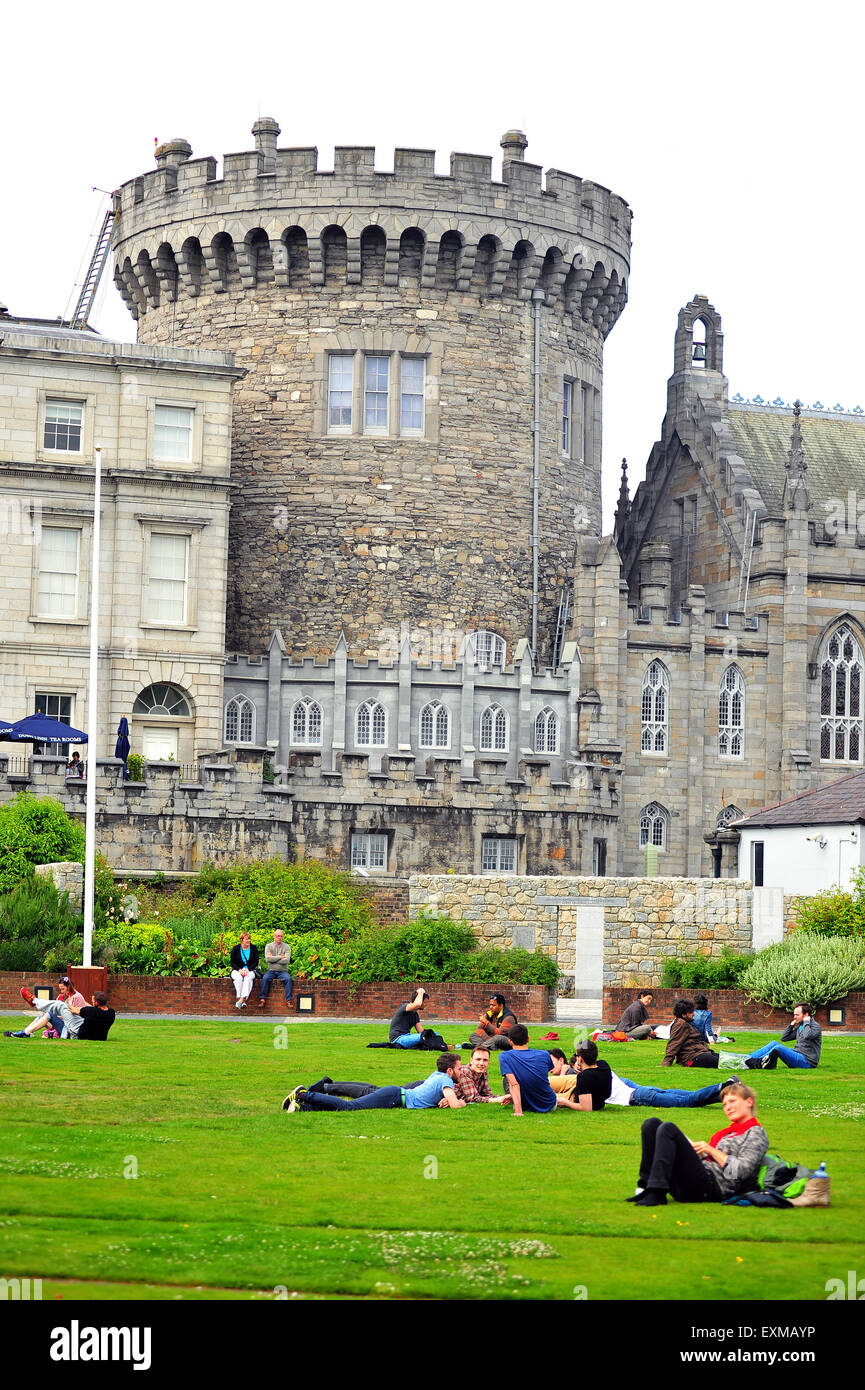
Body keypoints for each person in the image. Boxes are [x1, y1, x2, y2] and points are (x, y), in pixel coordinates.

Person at [627, 1081, 769, 1206]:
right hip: (697, 1177)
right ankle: (645, 1187)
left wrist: (711, 1150)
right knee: (652, 1124)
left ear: (748, 1102)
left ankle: (657, 1192)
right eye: (725, 1104)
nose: (727, 1107)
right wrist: (701, 1152)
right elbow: (710, 1159)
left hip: (712, 1188)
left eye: (732, 1101)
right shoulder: (727, 1133)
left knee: (668, 1129)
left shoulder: (756, 1134)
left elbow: (740, 1172)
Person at [283, 1053, 465, 1112]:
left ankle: (303, 1107)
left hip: (396, 1095)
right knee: (351, 1107)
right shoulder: (444, 1080)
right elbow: (456, 1105)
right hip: (394, 1096)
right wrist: (461, 1101)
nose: (461, 1071)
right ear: (449, 1071)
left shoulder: (437, 1075)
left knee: (352, 1105)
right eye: (459, 1068)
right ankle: (305, 1094)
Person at [499, 1023, 582, 1114]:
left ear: (510, 1041)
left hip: (525, 1104)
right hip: (549, 1103)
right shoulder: (544, 1054)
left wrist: (518, 1111)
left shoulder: (505, 1056)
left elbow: (514, 1084)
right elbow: (537, 1079)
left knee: (509, 1079)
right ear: (528, 1039)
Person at [606, 1064, 743, 1109]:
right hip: (642, 1089)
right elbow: (626, 1081)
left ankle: (727, 1084)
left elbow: (591, 1105)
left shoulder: (589, 1082)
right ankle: (725, 1096)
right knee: (691, 1097)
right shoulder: (605, 1070)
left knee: (686, 1101)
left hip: (640, 1096)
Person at [5, 991, 115, 1042]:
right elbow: (91, 1013)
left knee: (60, 1005)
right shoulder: (111, 1013)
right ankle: (27, 1032)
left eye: (92, 999)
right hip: (96, 1036)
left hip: (78, 1033)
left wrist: (67, 1003)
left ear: (96, 1003)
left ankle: (35, 1001)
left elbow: (74, 1010)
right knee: (58, 1012)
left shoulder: (91, 1011)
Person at [744, 1003, 822, 1070]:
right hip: (797, 1055)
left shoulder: (815, 1027)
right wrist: (791, 1025)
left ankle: (754, 1063)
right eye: (794, 1014)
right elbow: (784, 1038)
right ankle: (748, 1057)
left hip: (807, 1062)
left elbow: (806, 1035)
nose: (794, 1017)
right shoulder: (801, 1026)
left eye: (797, 1015)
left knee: (778, 1048)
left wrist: (806, 1022)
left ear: (806, 1015)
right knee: (774, 1043)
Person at [12, 977, 86, 1039]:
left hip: (70, 1029)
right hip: (66, 1026)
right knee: (42, 1016)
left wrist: (58, 1013)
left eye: (63, 989)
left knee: (55, 1009)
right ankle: (25, 1032)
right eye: (60, 989)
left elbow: (76, 1017)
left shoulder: (77, 997)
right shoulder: (67, 998)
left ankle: (34, 1001)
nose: (61, 991)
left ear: (69, 987)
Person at [662, 998, 719, 1068]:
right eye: (691, 1012)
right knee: (724, 1062)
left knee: (725, 1058)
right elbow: (674, 1042)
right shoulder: (680, 1024)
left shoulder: (686, 1023)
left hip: (699, 1053)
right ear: (683, 1014)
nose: (694, 1014)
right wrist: (667, 1061)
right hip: (692, 1057)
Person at [259, 927, 293, 1008]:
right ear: (274, 936)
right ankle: (262, 999)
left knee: (288, 979)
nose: (280, 938)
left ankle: (289, 1000)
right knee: (265, 978)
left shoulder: (287, 947)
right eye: (278, 936)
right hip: (271, 970)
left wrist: (273, 958)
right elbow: (268, 959)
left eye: (281, 936)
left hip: (283, 971)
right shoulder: (269, 946)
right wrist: (280, 957)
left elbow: (286, 961)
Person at [229, 931, 259, 1009]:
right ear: (241, 940)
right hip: (237, 970)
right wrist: (239, 970)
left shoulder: (253, 948)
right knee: (238, 978)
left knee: (248, 979)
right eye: (246, 939)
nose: (248, 941)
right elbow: (232, 963)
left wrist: (248, 969)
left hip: (250, 970)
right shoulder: (235, 948)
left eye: (249, 939)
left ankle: (241, 1000)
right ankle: (241, 1001)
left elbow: (256, 962)